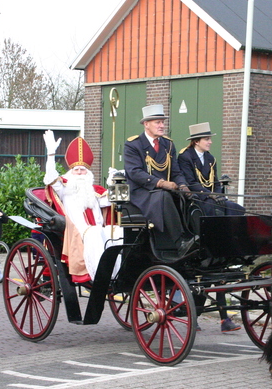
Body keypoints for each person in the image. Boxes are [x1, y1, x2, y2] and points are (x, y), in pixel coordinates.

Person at [178, 122, 244, 333]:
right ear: (196, 141)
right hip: (194, 201)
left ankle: (232, 242)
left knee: (236, 208)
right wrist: (210, 195)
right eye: (207, 139)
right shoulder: (185, 157)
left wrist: (218, 195)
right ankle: (217, 238)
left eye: (209, 138)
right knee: (211, 211)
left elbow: (214, 182)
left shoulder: (211, 159)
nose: (210, 142)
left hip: (210, 199)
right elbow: (190, 182)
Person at [43, 132, 120, 283]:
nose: (79, 173)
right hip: (76, 232)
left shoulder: (94, 190)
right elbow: (50, 177)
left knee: (117, 231)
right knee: (95, 232)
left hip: (97, 229)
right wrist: (51, 154)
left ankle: (117, 272)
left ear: (88, 172)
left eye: (83, 170)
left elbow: (112, 201)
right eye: (76, 170)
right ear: (71, 172)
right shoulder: (64, 187)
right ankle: (97, 273)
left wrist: (114, 183)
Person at [123, 104, 196, 255]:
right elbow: (135, 172)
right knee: (163, 196)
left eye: (163, 122)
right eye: (158, 122)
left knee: (193, 198)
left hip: (164, 190)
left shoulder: (168, 144)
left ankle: (196, 238)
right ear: (146, 124)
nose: (162, 125)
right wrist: (161, 183)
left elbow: (176, 171)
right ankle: (179, 241)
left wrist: (183, 185)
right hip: (142, 192)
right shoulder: (133, 145)